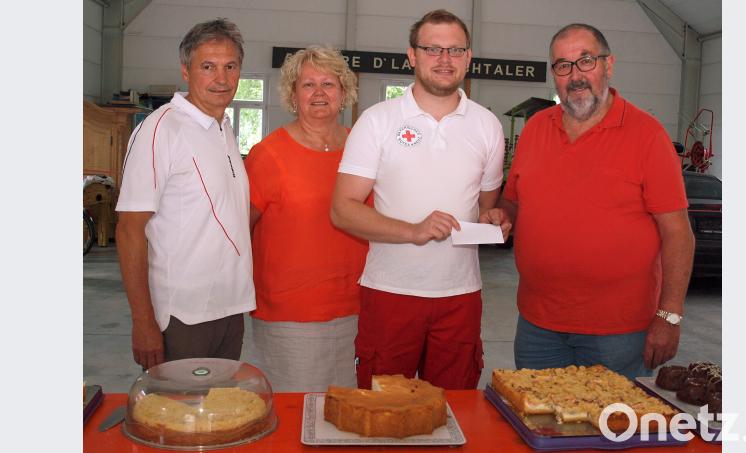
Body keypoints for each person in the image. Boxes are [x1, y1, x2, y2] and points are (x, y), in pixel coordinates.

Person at [497, 23, 695, 379]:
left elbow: (678, 234)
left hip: (618, 334)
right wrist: (502, 214)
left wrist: (669, 316)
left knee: (610, 430)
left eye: (585, 61)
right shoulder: (536, 129)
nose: (575, 76)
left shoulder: (647, 136)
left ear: (608, 65)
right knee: (538, 425)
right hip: (538, 326)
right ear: (553, 74)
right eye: (563, 65)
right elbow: (513, 201)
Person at [330, 9, 510, 390]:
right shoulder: (378, 120)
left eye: (455, 50)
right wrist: (413, 231)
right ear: (412, 55)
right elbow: (343, 210)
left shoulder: (487, 125)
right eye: (433, 49)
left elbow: (485, 208)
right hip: (391, 291)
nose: (444, 60)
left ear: (468, 58)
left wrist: (494, 218)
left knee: (454, 408)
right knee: (383, 410)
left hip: (461, 295)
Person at [116, 18, 254, 370]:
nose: (221, 79)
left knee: (217, 418)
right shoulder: (161, 129)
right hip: (182, 316)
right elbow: (130, 229)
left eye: (230, 66)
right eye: (207, 66)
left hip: (229, 308)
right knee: (178, 419)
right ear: (185, 70)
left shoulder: (222, 128)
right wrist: (143, 322)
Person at [244, 47, 367, 392]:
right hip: (291, 314)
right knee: (298, 416)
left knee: (350, 416)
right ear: (292, 95)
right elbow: (239, 230)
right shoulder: (268, 155)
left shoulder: (363, 148)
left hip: (360, 306)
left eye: (329, 83)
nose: (318, 93)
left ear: (343, 93)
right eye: (308, 84)